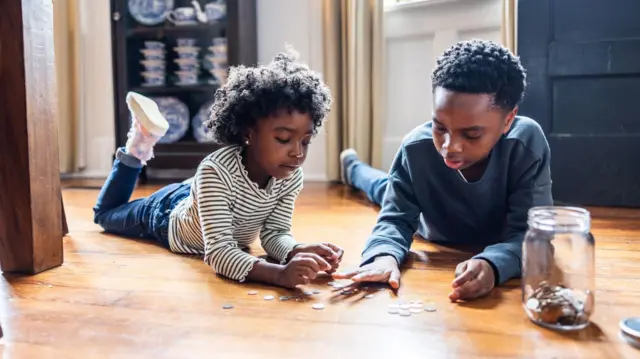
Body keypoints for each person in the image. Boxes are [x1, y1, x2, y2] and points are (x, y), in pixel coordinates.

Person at [93, 49, 343, 289]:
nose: (298, 152)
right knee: (105, 215)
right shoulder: (215, 172)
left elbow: (274, 232)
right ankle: (139, 146)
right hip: (165, 215)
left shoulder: (289, 174)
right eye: (283, 139)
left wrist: (297, 250)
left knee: (206, 184)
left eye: (306, 141)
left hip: (204, 193)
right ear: (248, 132)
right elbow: (220, 252)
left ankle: (153, 152)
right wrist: (279, 275)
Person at [333, 39, 553, 301]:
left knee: (382, 186)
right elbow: (395, 220)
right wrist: (384, 256)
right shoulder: (415, 149)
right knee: (380, 188)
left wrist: (495, 264)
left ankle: (356, 168)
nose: (450, 147)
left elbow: (533, 236)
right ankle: (354, 168)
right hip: (425, 219)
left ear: (508, 120)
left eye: (471, 134)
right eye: (440, 127)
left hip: (480, 231)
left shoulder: (526, 143)